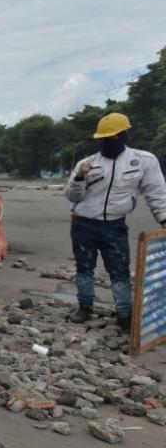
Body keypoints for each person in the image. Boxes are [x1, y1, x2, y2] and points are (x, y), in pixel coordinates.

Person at [65, 112, 166, 330]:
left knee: (119, 270)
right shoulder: (87, 163)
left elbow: (156, 192)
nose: (107, 143)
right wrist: (80, 177)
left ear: (124, 135)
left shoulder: (143, 161)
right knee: (84, 267)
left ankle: (124, 314)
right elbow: (73, 196)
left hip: (114, 225)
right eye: (103, 139)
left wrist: (164, 218)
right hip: (83, 223)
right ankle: (84, 306)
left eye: (112, 138)